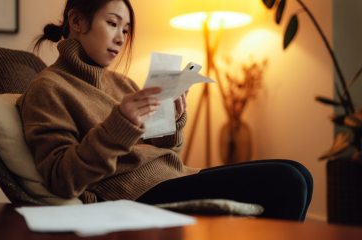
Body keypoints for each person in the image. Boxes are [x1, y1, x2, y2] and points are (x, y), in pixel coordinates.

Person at [18, 0, 313, 221]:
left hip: (172, 176)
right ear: (77, 21)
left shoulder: (121, 82)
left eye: (126, 29)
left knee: (299, 172)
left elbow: (162, 146)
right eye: (112, 23)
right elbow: (60, 178)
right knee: (287, 181)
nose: (121, 38)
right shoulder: (48, 89)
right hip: (134, 195)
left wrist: (171, 119)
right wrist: (118, 126)